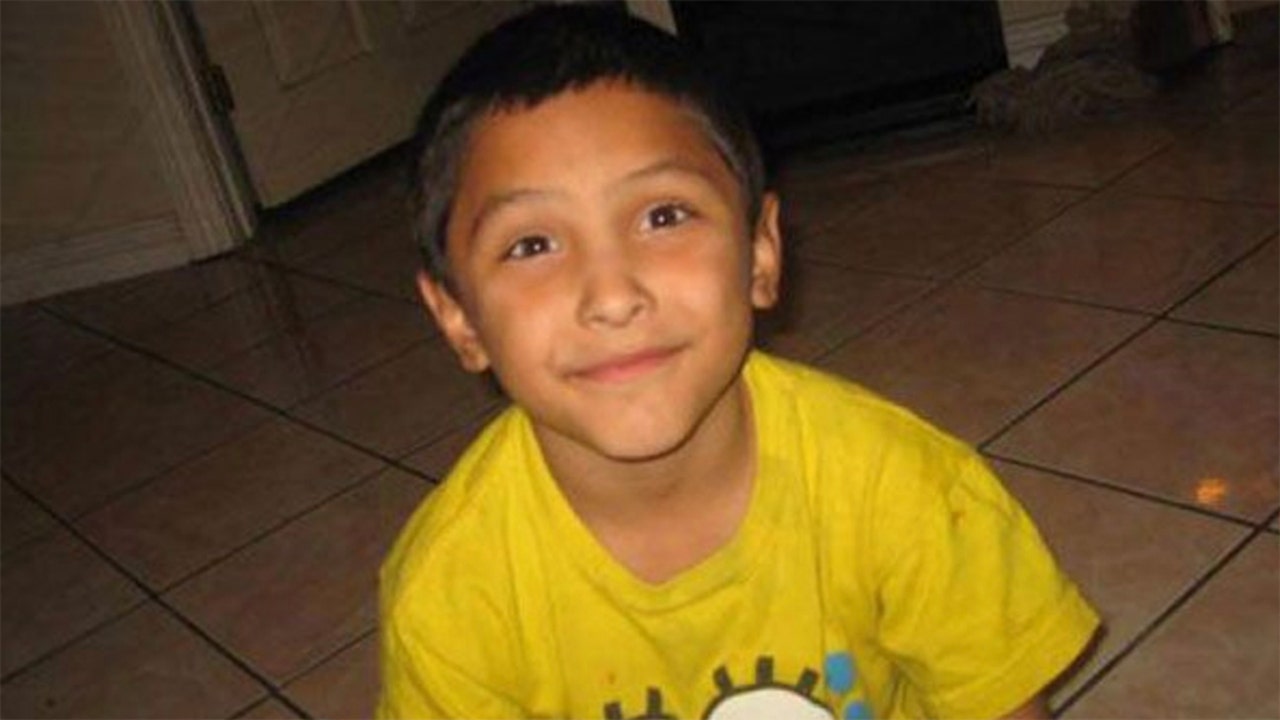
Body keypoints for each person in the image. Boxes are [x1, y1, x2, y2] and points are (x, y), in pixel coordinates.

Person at [378, 5, 1100, 719]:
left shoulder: (903, 488)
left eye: (663, 216)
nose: (613, 296)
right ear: (459, 317)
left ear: (760, 254)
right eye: (531, 244)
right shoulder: (450, 595)